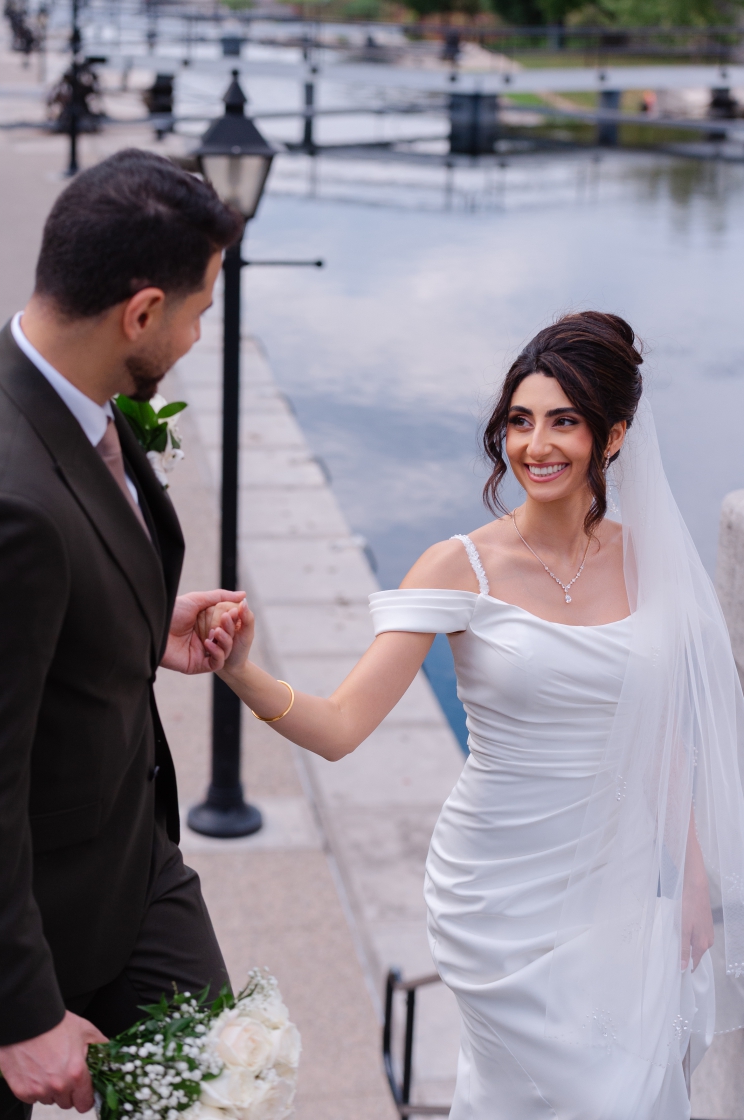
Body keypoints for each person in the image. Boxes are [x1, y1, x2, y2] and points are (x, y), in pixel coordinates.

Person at [205, 312, 744, 1118]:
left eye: (565, 422)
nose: (538, 446)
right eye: (521, 422)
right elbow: (342, 726)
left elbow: (663, 730)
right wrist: (244, 673)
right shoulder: (460, 568)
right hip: (496, 894)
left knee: (628, 1090)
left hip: (616, 881)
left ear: (615, 435)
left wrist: (693, 874)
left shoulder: (653, 565)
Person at [0, 150, 248, 1117]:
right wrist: (24, 1013)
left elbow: (57, 620)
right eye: (197, 311)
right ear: (141, 313)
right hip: (44, 922)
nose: (198, 333)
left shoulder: (85, 402)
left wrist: (142, 628)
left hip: (137, 862)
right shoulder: (11, 497)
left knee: (224, 1093)